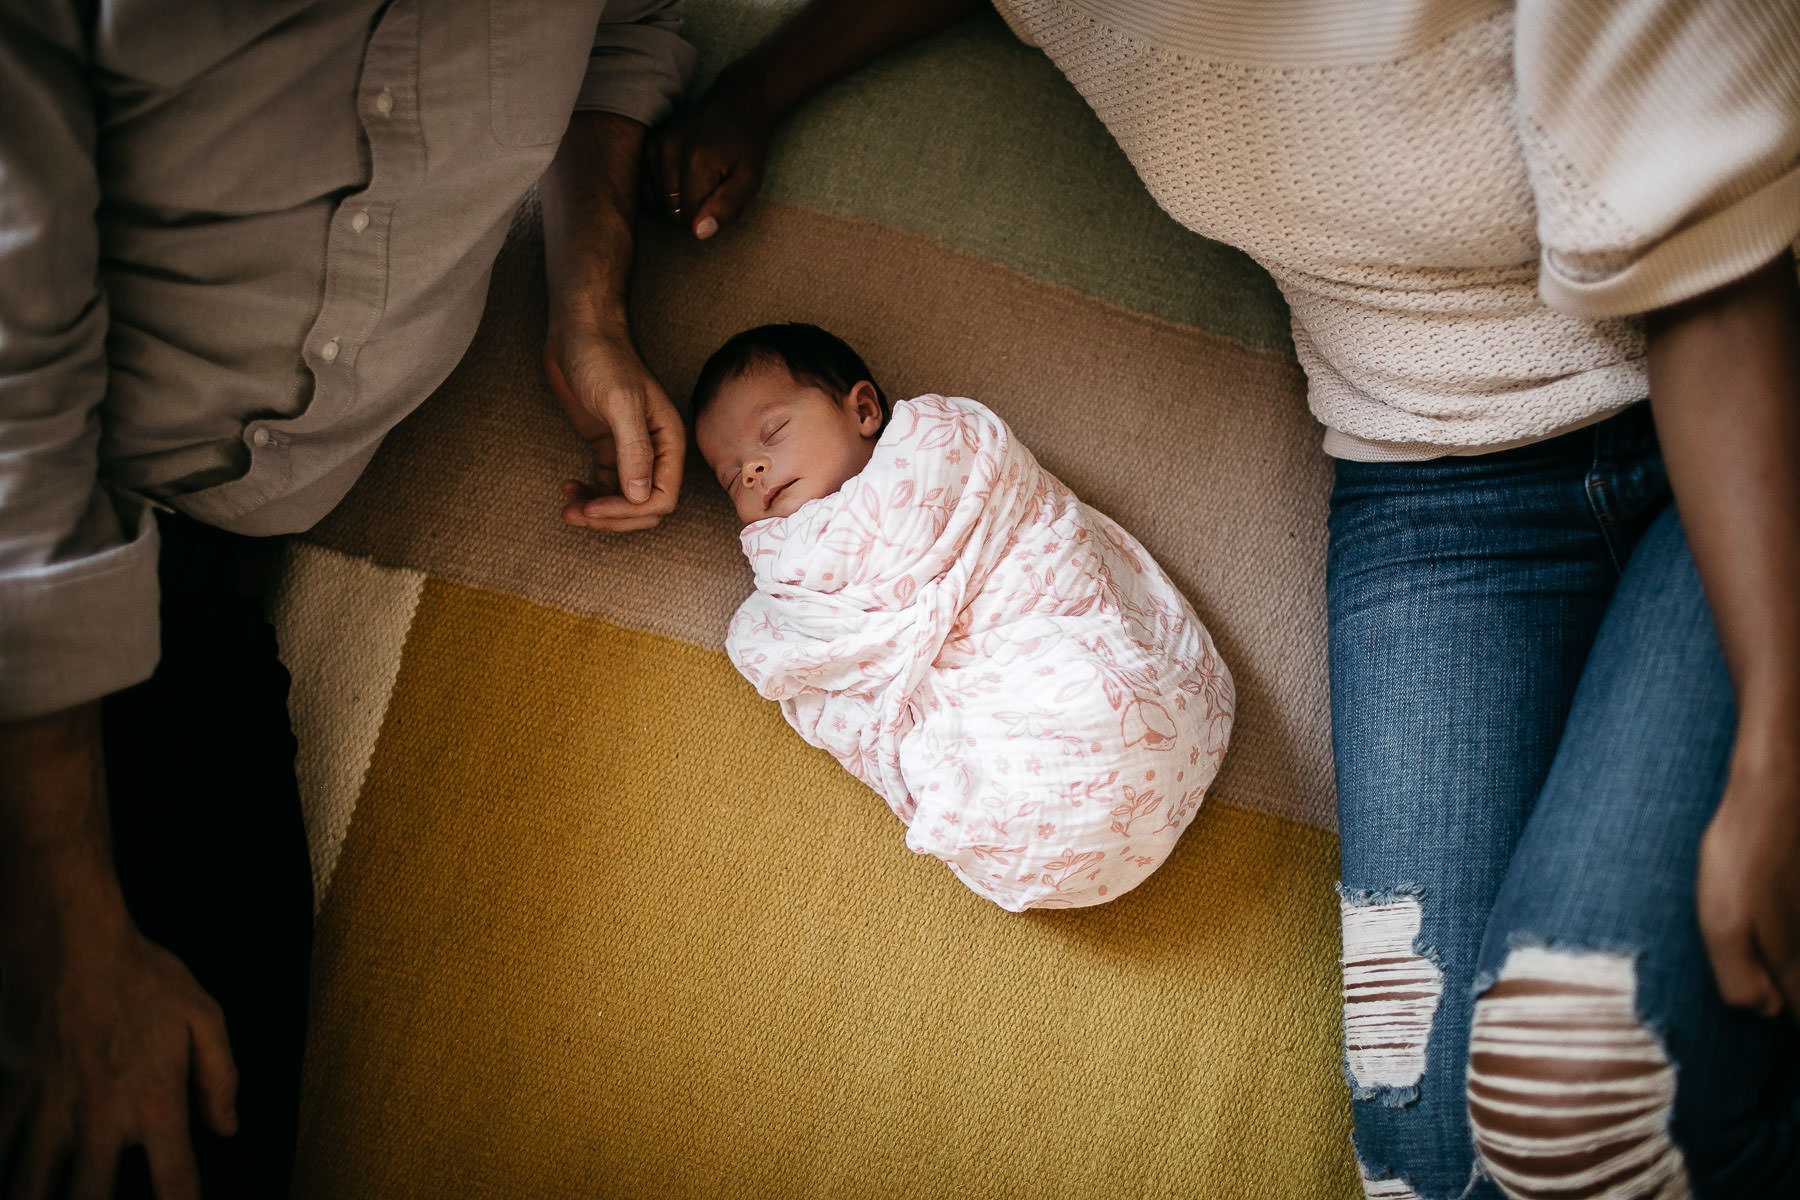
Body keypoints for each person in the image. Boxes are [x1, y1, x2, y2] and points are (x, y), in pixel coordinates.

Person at [649, 2, 1800, 1197]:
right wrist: (756, 90)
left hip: (1714, 391)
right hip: (1430, 476)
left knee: (1571, 1101)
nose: (756, 481)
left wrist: (1775, 747)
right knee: (1420, 1156)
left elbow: (1715, 259)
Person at [0, 3, 694, 1196]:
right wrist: (72, 933)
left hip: (188, 604)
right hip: (44, 533)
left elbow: (631, 29)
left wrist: (588, 309)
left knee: (192, 1124)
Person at [693, 323, 1234, 911]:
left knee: (1096, 696)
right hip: (1002, 746)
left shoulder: (938, 449)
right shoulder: (788, 573)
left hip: (1039, 621)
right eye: (731, 476)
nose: (752, 471)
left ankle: (1112, 738)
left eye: (772, 432)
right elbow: (806, 655)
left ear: (864, 410)